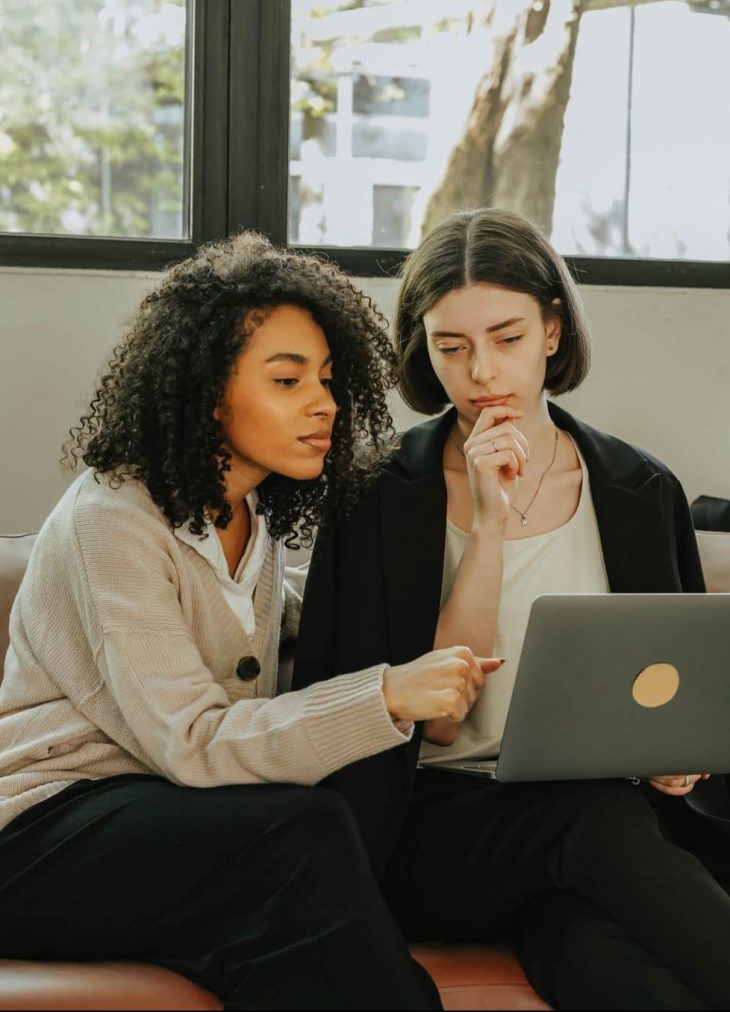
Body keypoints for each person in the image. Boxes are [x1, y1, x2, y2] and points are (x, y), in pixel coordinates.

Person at [293, 208, 730, 1011]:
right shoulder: (375, 495)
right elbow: (435, 726)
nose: (481, 372)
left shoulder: (640, 489)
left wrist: (676, 758)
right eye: (451, 347)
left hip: (598, 833)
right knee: (588, 818)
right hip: (427, 829)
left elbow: (680, 684)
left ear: (553, 332)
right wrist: (491, 528)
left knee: (587, 947)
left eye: (508, 338)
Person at [0, 232, 501, 1010]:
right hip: (42, 834)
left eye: (329, 380)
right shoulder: (112, 520)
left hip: (173, 828)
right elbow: (193, 744)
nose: (325, 403)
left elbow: (302, 634)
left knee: (291, 930)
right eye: (287, 379)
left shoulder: (246, 515)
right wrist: (387, 696)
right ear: (206, 391)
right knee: (302, 831)